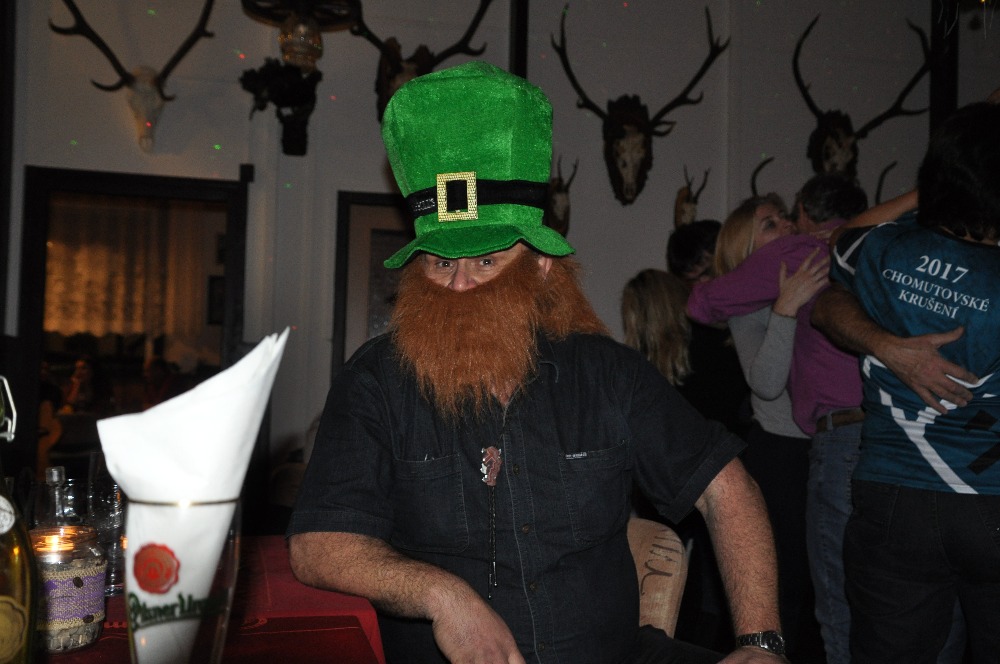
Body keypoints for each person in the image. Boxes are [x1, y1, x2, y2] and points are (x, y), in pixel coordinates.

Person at [288, 62, 787, 664]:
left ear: (541, 267)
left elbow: (727, 490)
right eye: (442, 263)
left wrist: (760, 642)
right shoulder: (375, 380)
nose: (461, 285)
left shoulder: (607, 374)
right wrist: (442, 596)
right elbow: (317, 545)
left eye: (486, 262)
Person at [812, 101, 1000, 663]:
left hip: (892, 497)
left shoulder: (884, 249)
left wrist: (944, 184)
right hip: (990, 496)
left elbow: (840, 250)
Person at [687, 174, 870, 664]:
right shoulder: (752, 303)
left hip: (819, 445)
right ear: (746, 248)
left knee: (826, 583)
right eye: (770, 224)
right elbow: (766, 384)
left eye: (786, 217)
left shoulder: (815, 277)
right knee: (790, 587)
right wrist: (785, 309)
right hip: (782, 453)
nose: (787, 226)